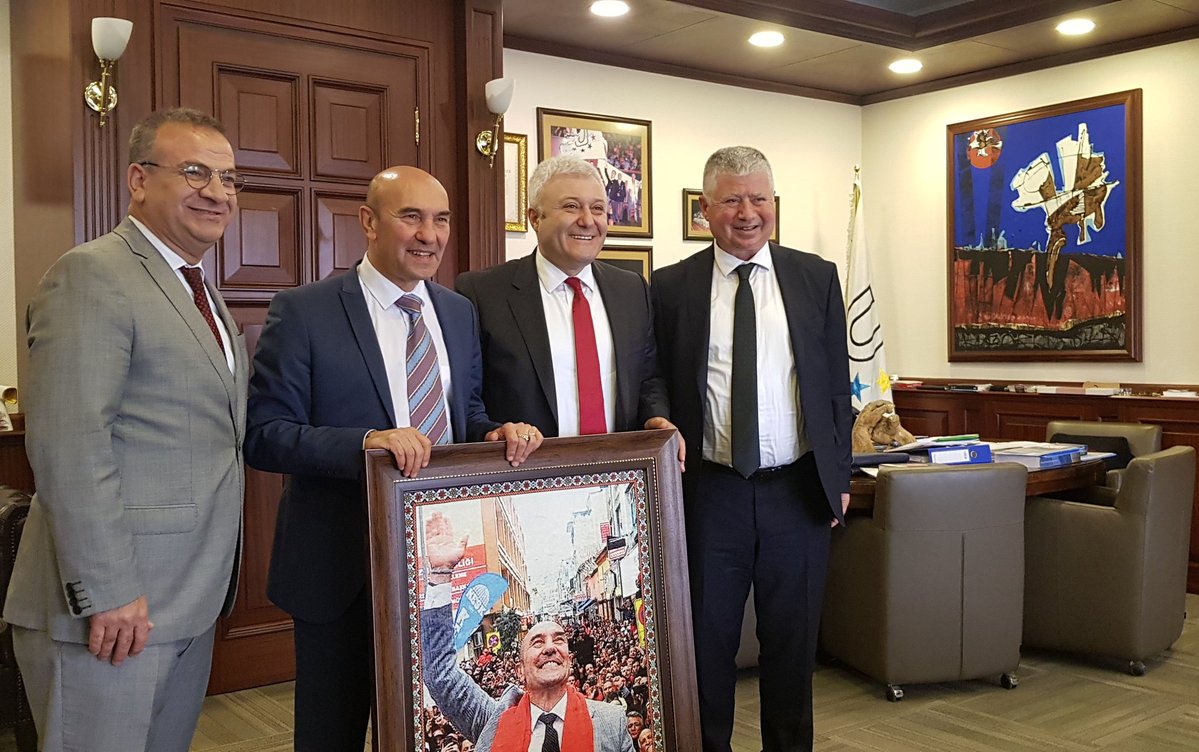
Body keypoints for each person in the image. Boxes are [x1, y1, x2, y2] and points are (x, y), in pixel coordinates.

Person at [245, 166, 543, 752]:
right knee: (331, 735)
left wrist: (495, 432)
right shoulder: (305, 311)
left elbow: (465, 414)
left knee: (428, 732)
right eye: (411, 217)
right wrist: (365, 443)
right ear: (369, 221)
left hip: (440, 573)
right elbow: (266, 436)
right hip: (342, 567)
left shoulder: (457, 312)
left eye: (441, 219)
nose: (429, 235)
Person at [3, 107, 248, 751]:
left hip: (185, 596)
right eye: (194, 172)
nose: (217, 192)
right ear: (138, 180)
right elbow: (69, 444)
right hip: (110, 609)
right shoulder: (93, 273)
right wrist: (107, 590)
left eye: (228, 178)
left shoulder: (198, 287)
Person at [650, 146, 852, 752]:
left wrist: (839, 476)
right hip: (710, 494)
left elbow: (835, 387)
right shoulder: (671, 286)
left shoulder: (815, 277)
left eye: (759, 199)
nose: (747, 213)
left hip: (798, 492)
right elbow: (654, 375)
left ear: (773, 204)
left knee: (793, 649)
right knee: (705, 648)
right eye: (733, 200)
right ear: (706, 208)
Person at [455, 155, 678, 451]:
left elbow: (648, 377)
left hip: (617, 469)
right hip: (525, 470)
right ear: (535, 218)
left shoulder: (631, 289)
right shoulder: (483, 292)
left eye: (597, 209)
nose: (587, 220)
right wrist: (495, 431)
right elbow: (467, 400)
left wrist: (655, 417)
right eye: (571, 206)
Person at [419, 512, 635, 752]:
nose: (550, 647)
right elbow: (439, 674)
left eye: (559, 640)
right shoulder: (494, 721)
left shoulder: (611, 722)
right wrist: (440, 574)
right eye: (537, 642)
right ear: (520, 669)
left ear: (569, 661)